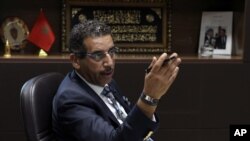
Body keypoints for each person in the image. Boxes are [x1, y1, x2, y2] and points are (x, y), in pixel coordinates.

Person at [52, 20, 181, 141]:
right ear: (75, 60)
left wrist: (152, 89)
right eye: (98, 55)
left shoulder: (105, 81)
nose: (109, 62)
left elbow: (128, 120)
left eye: (112, 51)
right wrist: (149, 97)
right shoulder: (71, 101)